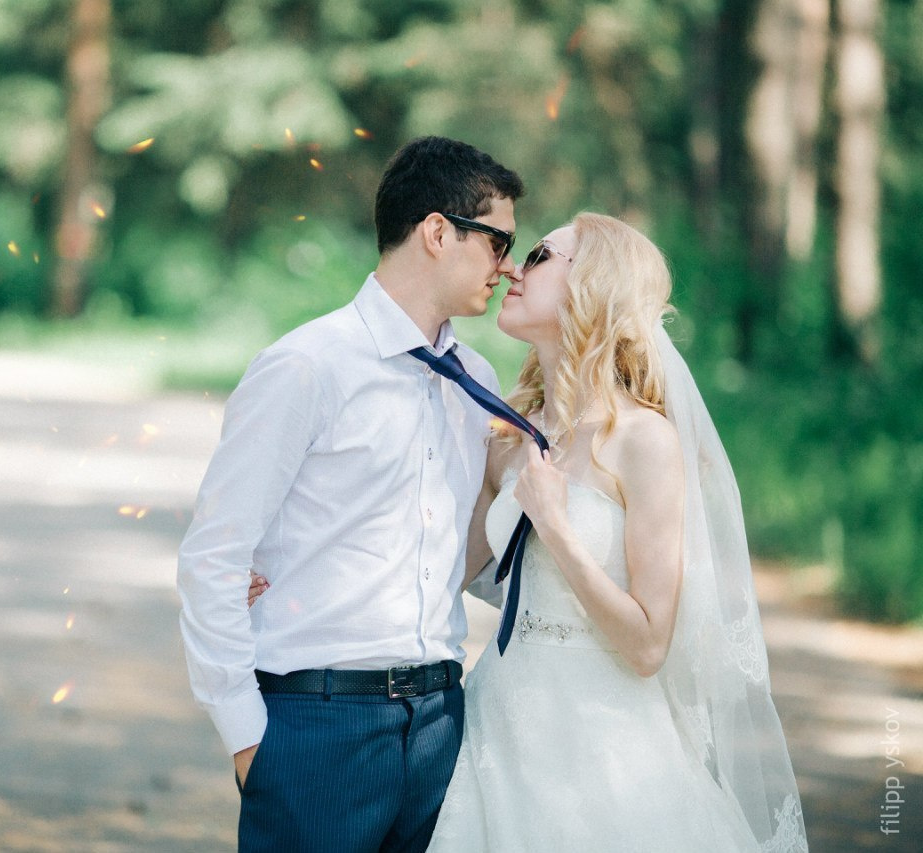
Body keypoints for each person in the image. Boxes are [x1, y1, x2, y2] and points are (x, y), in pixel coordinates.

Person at [176, 136, 524, 852]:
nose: (508, 266)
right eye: (498, 242)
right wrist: (248, 740)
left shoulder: (478, 381)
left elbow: (464, 555)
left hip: (441, 723)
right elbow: (213, 555)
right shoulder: (306, 367)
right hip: (317, 726)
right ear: (438, 232)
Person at [423, 212, 809, 851]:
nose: (513, 268)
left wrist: (555, 526)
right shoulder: (509, 439)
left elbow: (649, 645)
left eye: (540, 255)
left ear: (593, 285)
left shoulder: (643, 442)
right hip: (500, 726)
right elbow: (440, 574)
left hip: (606, 750)